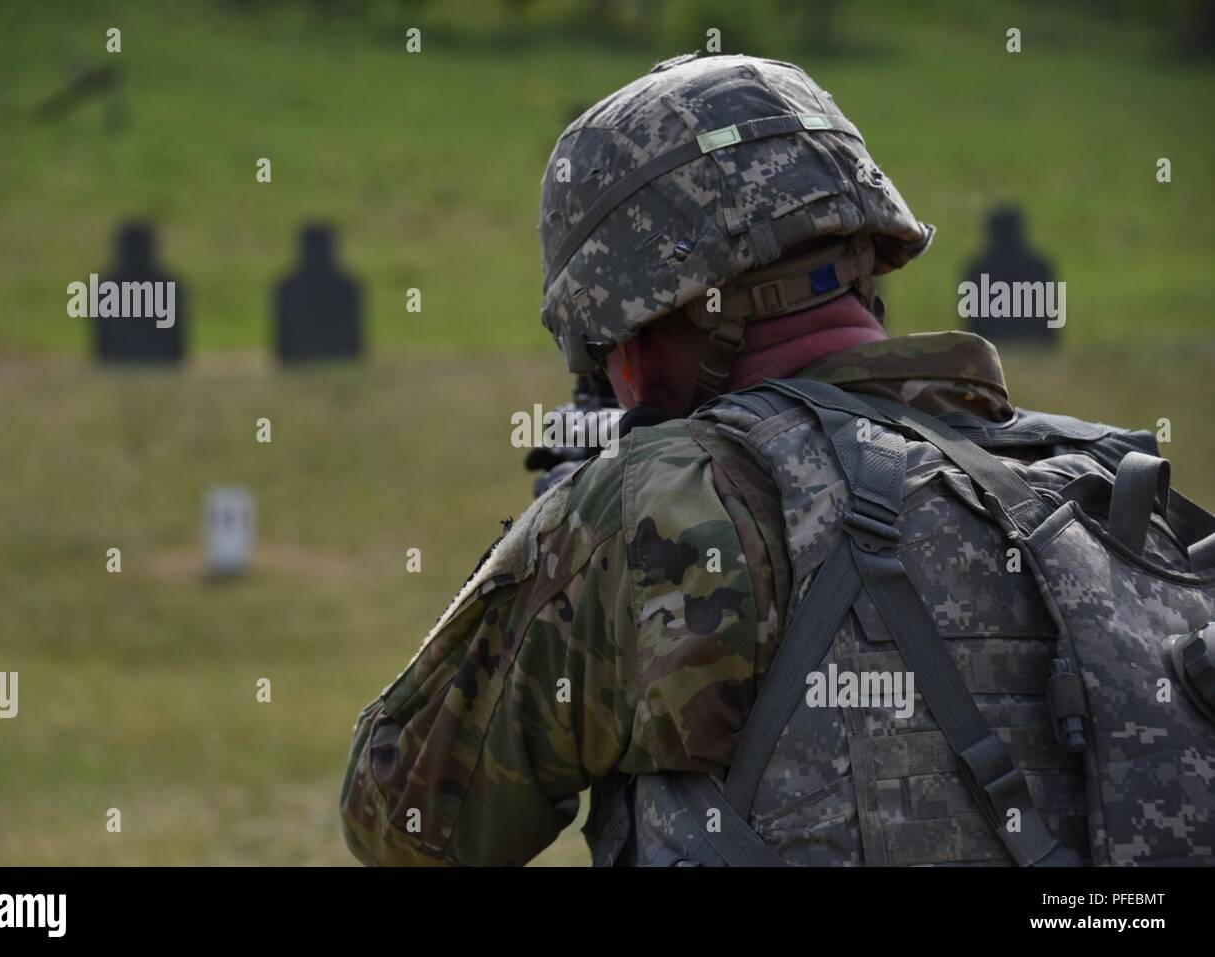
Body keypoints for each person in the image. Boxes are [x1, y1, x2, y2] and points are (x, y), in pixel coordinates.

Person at [340, 54, 1215, 866]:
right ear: (870, 262)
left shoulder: (659, 506)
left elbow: (401, 818)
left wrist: (548, 538)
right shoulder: (1111, 496)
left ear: (642, 334)